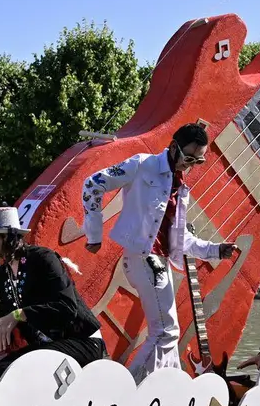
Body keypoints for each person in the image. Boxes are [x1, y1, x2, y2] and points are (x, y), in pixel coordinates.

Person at [80, 123, 238, 382]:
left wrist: (216, 250)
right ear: (173, 147)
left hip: (158, 263)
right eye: (188, 158)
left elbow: (180, 239)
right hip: (143, 259)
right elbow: (92, 184)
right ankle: (131, 388)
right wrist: (94, 234)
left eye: (198, 161)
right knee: (165, 331)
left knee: (166, 332)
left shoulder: (180, 187)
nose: (190, 166)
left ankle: (169, 388)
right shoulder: (143, 165)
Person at [0, 206, 105, 390]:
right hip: (49, 345)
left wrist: (19, 314)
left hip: (82, 341)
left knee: (8, 373)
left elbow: (66, 307)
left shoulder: (43, 258)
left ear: (6, 237)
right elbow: (5, 317)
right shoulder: (4, 273)